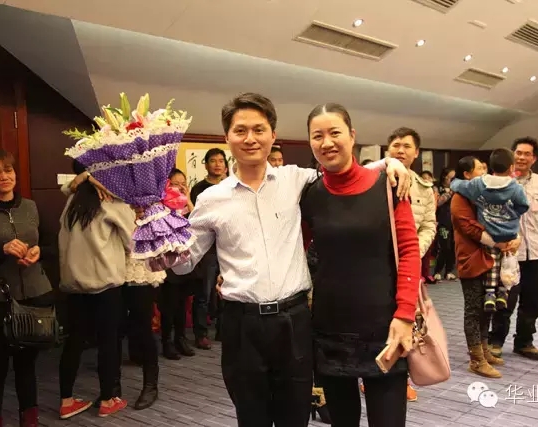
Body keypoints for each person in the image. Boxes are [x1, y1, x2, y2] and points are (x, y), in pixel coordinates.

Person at [172, 92, 409, 426]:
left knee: (295, 417)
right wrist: (158, 242)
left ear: (273, 135)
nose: (250, 138)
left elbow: (344, 174)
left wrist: (387, 163)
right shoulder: (210, 199)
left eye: (259, 129)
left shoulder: (296, 180)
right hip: (242, 325)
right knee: (251, 417)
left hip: (294, 322)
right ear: (227, 137)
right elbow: (183, 262)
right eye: (240, 130)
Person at [300, 103, 420, 426]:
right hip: (329, 328)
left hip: (385, 326)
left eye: (335, 133)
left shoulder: (388, 185)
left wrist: (405, 314)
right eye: (317, 136)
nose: (327, 142)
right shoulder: (310, 195)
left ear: (352, 136)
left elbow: (409, 250)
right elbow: (293, 247)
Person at [0, 149, 55, 427]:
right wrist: (0, 251)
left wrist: (40, 251)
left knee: (26, 366)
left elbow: (52, 244)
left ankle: (29, 420)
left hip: (32, 297)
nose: (4, 177)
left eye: (8, 170)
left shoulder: (31, 207)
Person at [57, 160, 132, 419]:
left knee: (74, 342)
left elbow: (67, 187)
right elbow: (133, 242)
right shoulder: (112, 202)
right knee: (108, 342)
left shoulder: (73, 201)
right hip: (104, 284)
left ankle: (66, 400)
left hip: (73, 284)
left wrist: (85, 177)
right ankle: (108, 400)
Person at [489, 137, 538, 361]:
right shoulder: (499, 181)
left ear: (534, 158)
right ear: (512, 155)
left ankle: (524, 342)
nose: (521, 157)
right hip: (509, 253)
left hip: (536, 252)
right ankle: (495, 340)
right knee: (505, 300)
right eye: (518, 153)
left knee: (531, 301)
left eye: (527, 154)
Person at [451, 156, 520, 379]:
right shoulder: (460, 197)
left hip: (491, 256)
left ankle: (483, 349)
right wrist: (498, 242)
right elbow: (469, 228)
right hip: (472, 258)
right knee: (473, 309)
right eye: (480, 168)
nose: (485, 172)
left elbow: (507, 216)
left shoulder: (487, 193)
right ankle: (476, 359)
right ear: (467, 175)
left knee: (486, 306)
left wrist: (513, 238)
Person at [387, 126, 437, 401]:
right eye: (396, 145)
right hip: (378, 263)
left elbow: (429, 225)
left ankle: (401, 377)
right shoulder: (375, 179)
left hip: (408, 266)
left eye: (406, 146)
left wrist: (413, 252)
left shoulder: (425, 189)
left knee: (409, 321)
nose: (400, 150)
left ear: (416, 153)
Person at [451, 148, 530, 311]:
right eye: (479, 167)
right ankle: (503, 291)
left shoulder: (478, 185)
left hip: (490, 231)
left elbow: (458, 185)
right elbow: (524, 206)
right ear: (511, 168)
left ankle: (489, 293)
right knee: (507, 261)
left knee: (492, 261)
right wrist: (512, 214)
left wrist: (453, 182)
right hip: (508, 233)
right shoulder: (515, 187)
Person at [188, 148, 229, 350]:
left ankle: (224, 330)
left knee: (229, 291)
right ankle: (201, 333)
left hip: (229, 246)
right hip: (208, 248)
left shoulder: (232, 186)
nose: (218, 164)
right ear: (205, 164)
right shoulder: (199, 189)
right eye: (213, 161)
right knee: (204, 292)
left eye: (221, 161)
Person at [158, 169, 197, 360]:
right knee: (169, 305)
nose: (181, 187)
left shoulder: (186, 206)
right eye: (176, 183)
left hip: (186, 260)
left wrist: (187, 198)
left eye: (183, 183)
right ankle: (167, 342)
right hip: (169, 261)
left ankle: (180, 339)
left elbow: (197, 221)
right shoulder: (162, 206)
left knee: (182, 303)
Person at [433, 168, 457, 282]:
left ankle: (449, 271)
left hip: (454, 221)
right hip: (442, 221)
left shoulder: (457, 189)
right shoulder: (437, 188)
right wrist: (450, 193)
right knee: (444, 246)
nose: (453, 180)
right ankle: (437, 271)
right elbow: (438, 202)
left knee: (453, 246)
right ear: (445, 177)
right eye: (451, 178)